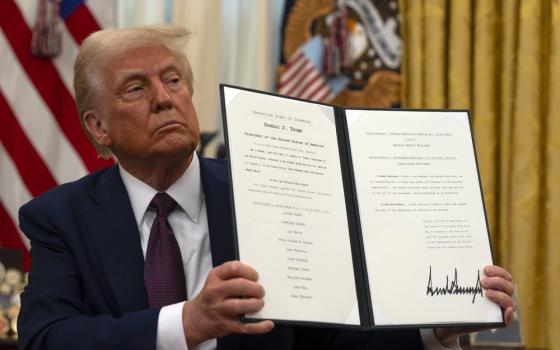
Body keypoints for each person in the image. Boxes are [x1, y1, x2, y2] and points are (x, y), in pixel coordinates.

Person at [17, 26, 516, 350]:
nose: (164, 99)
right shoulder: (61, 217)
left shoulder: (275, 189)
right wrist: (187, 323)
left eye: (173, 81)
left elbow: (330, 336)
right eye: (135, 88)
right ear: (98, 127)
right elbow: (46, 339)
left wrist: (437, 325)